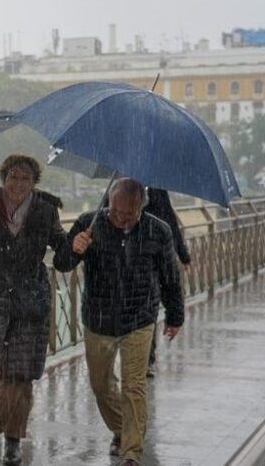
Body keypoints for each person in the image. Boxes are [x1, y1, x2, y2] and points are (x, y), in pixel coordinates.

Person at [54, 178, 185, 466]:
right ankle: (122, 428)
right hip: (97, 319)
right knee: (100, 385)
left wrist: (175, 315)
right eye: (116, 212)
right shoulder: (90, 223)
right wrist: (75, 249)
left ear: (142, 207)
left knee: (134, 386)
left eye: (129, 213)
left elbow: (170, 277)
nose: (121, 218)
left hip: (139, 318)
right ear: (109, 203)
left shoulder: (157, 230)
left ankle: (131, 453)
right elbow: (61, 263)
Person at [0, 154, 68, 466]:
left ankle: (11, 441)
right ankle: (4, 413)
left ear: (34, 183)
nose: (18, 184)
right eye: (13, 177)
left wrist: (75, 245)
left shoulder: (46, 210)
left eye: (25, 178)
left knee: (19, 374)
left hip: (29, 300)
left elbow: (60, 246)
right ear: (3, 178)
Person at [143, 188, 191, 377]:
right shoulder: (117, 190)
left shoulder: (156, 191)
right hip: (122, 263)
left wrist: (183, 255)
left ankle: (146, 359)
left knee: (147, 310)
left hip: (151, 261)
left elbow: (169, 222)